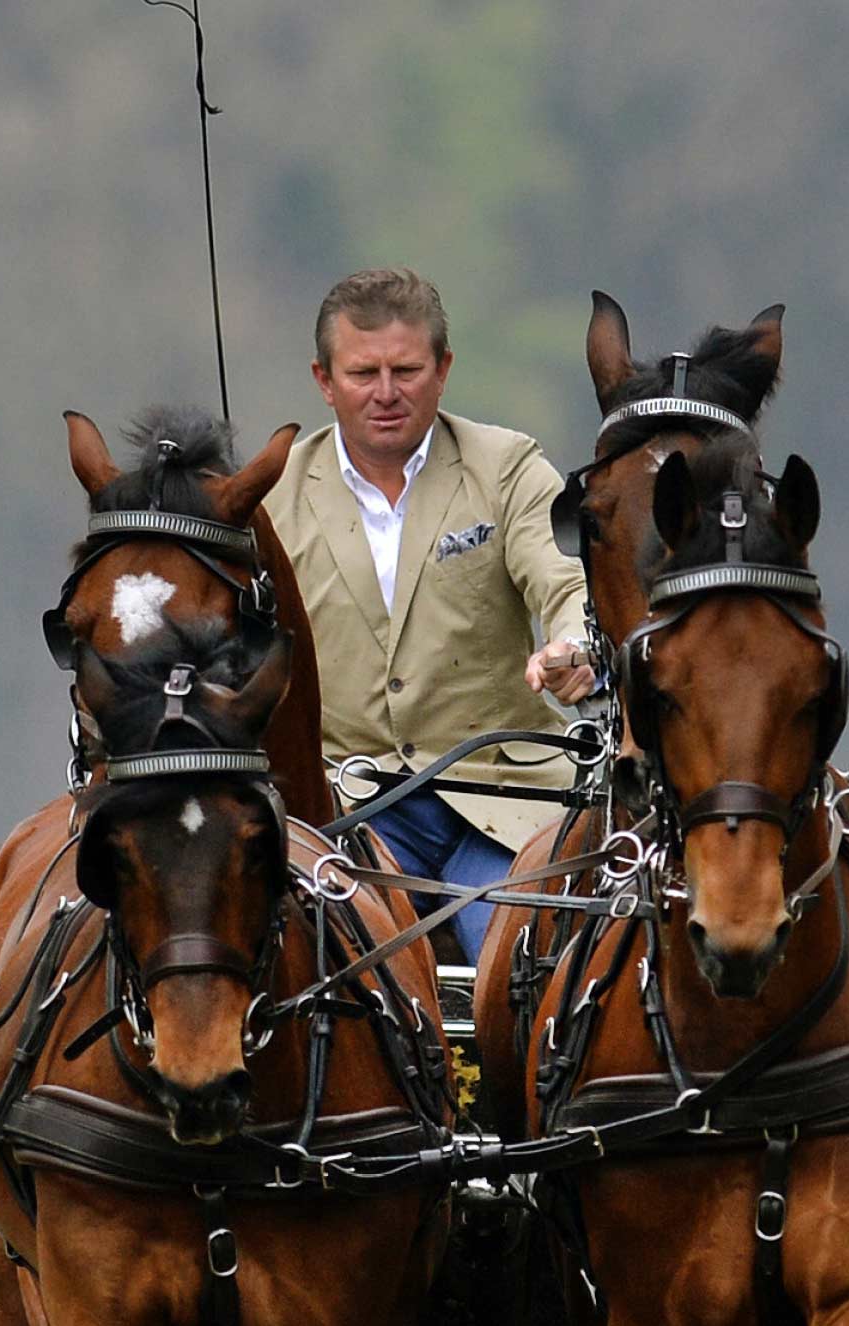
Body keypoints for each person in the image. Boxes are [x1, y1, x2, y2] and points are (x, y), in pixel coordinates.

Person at [255, 268, 598, 963]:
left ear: (442, 370)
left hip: (504, 796)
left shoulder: (506, 467)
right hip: (347, 809)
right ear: (324, 381)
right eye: (363, 373)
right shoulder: (270, 496)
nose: (385, 393)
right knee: (321, 972)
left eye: (406, 369)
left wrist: (574, 644)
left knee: (528, 965)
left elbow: (565, 579)